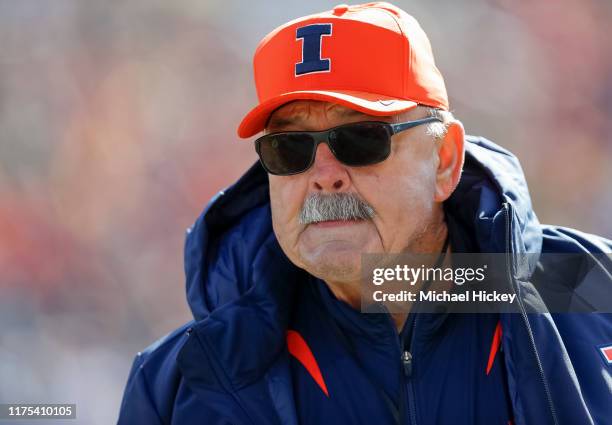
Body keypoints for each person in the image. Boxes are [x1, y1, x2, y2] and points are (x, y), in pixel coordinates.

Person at [117, 3, 612, 424]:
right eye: (290, 148)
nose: (324, 174)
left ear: (445, 161)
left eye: (360, 138)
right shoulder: (179, 385)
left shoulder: (596, 294)